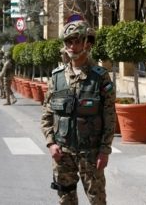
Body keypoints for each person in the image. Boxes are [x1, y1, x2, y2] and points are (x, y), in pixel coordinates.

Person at [40, 16, 116, 205]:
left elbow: (109, 117)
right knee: (65, 199)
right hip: (63, 153)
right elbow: (47, 115)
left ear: (87, 43)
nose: (72, 46)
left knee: (97, 200)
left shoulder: (100, 78)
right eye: (68, 42)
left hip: (90, 154)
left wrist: (104, 151)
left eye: (77, 41)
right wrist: (51, 144)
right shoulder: (56, 78)